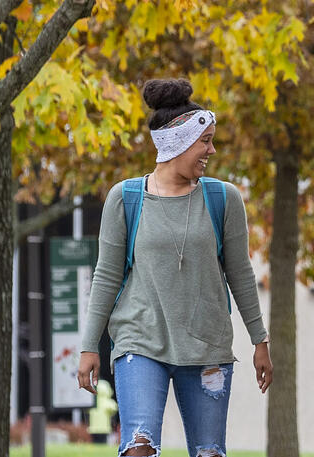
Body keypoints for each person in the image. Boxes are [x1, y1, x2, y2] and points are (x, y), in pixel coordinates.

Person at [75, 78, 273, 457]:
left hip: (207, 346)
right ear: (177, 142)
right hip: (139, 341)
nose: (211, 150)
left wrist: (259, 340)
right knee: (138, 446)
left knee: (209, 452)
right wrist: (89, 345)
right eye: (205, 141)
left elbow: (241, 274)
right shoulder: (126, 198)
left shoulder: (223, 198)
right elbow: (106, 276)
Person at [88, 379, 119, 444]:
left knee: (95, 442)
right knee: (103, 442)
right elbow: (114, 408)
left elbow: (87, 410)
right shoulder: (107, 402)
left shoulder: (92, 403)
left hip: (93, 428)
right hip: (104, 428)